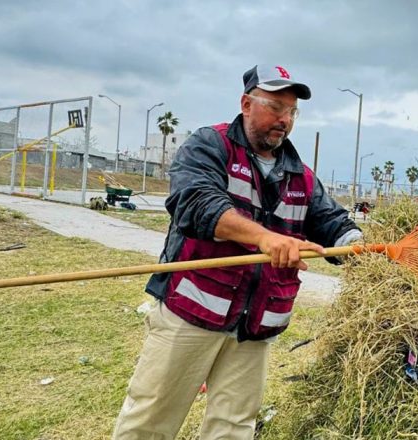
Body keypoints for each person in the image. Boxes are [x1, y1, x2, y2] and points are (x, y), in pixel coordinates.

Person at [113, 64, 362, 439]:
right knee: (150, 421)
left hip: (256, 324)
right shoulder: (210, 146)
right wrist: (266, 239)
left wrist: (355, 244)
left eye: (292, 111)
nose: (285, 119)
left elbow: (331, 222)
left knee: (233, 428)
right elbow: (195, 204)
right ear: (246, 103)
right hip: (192, 310)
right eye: (276, 107)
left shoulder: (302, 176)